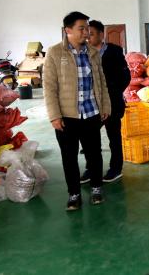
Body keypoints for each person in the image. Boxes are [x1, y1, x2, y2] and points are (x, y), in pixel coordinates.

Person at [43, 11, 111, 211]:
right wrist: (54, 115)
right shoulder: (55, 53)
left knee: (94, 154)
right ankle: (74, 194)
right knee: (69, 157)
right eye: (81, 28)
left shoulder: (93, 53)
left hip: (91, 113)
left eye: (87, 28)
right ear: (68, 30)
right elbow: (49, 87)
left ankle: (97, 188)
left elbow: (102, 82)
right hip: (67, 117)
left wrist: (105, 106)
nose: (86, 32)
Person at [79, 20, 131, 184]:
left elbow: (125, 76)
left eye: (91, 34)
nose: (88, 37)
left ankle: (116, 169)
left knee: (113, 136)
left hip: (112, 102)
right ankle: (91, 168)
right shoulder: (84, 53)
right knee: (89, 138)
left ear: (101, 35)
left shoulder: (114, 52)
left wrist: (113, 93)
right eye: (86, 34)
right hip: (91, 104)